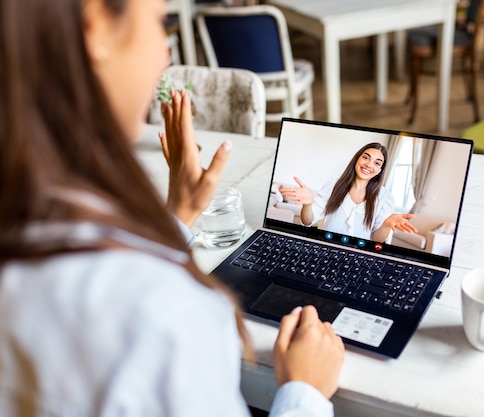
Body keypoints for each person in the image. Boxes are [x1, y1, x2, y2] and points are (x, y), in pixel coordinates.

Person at [0, 0, 344, 416]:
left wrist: (175, 216)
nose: (166, 55)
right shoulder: (163, 314)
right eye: (159, 23)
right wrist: (304, 391)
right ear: (95, 30)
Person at [279, 143, 418, 242]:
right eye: (366, 157)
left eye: (377, 163)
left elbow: (376, 239)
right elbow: (307, 220)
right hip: (326, 247)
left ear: (380, 170)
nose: (369, 165)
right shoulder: (334, 184)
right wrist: (308, 204)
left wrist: (386, 224)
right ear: (357, 159)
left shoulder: (384, 197)